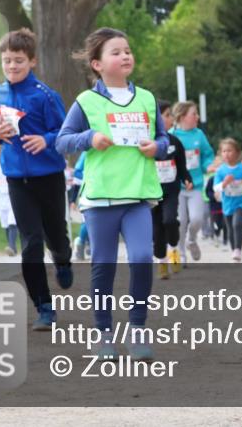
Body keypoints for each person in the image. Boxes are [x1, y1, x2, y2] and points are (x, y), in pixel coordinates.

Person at [56, 27, 168, 361]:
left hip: (137, 195)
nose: (125, 56)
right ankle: (103, 332)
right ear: (97, 64)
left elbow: (165, 141)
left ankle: (137, 329)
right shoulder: (86, 102)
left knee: (142, 258)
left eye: (128, 50)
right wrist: (89, 137)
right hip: (101, 197)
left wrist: (157, 147)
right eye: (116, 52)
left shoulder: (147, 98)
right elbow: (62, 140)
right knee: (103, 265)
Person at [0, 28, 72, 331]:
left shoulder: (46, 95)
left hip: (48, 176)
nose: (12, 66)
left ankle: (63, 259)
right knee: (31, 242)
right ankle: (44, 306)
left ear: (33, 61)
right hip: (15, 178)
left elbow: (65, 134)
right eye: (7, 61)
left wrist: (46, 141)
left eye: (19, 61)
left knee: (56, 236)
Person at [171, 101, 215, 265]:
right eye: (194, 114)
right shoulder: (172, 135)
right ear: (182, 117)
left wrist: (208, 165)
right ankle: (181, 253)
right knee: (180, 221)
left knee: (197, 218)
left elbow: (207, 155)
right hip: (178, 187)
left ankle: (192, 239)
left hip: (195, 185)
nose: (197, 117)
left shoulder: (199, 135)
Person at [153, 100, 191, 280]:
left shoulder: (175, 142)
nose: (171, 119)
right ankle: (161, 261)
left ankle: (174, 249)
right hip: (152, 193)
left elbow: (182, 166)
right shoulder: (147, 143)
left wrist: (186, 178)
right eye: (167, 115)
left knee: (169, 220)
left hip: (171, 190)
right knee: (157, 229)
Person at [214, 138, 242, 262]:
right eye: (224, 151)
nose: (227, 154)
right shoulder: (221, 170)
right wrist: (224, 183)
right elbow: (215, 187)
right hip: (227, 203)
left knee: (237, 223)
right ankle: (234, 250)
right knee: (230, 228)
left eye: (230, 151)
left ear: (237, 153)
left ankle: (238, 249)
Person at [70, 152, 90, 260]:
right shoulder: (86, 153)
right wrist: (72, 200)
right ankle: (80, 243)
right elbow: (77, 173)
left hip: (110, 192)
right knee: (87, 220)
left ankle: (91, 245)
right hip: (88, 192)